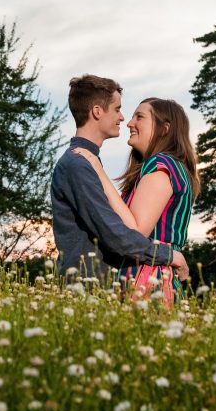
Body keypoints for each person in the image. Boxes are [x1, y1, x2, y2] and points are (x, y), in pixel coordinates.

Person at [51, 75, 189, 284]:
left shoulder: (87, 162)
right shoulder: (78, 163)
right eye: (117, 109)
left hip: (99, 286)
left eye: (138, 117)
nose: (124, 119)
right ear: (97, 111)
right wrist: (168, 255)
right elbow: (115, 235)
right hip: (86, 286)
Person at [73, 97, 201, 307]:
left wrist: (97, 169)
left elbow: (136, 231)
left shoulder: (161, 164)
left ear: (164, 128)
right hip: (156, 273)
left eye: (139, 117)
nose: (130, 123)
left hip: (146, 276)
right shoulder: (171, 167)